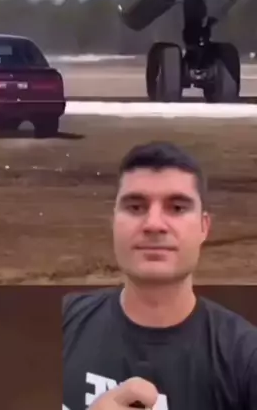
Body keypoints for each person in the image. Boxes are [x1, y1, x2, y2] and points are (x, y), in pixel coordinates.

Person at [63, 140, 257, 410]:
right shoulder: (60, 322)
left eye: (177, 208)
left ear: (204, 226)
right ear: (114, 221)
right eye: (135, 207)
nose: (153, 224)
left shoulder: (246, 359)